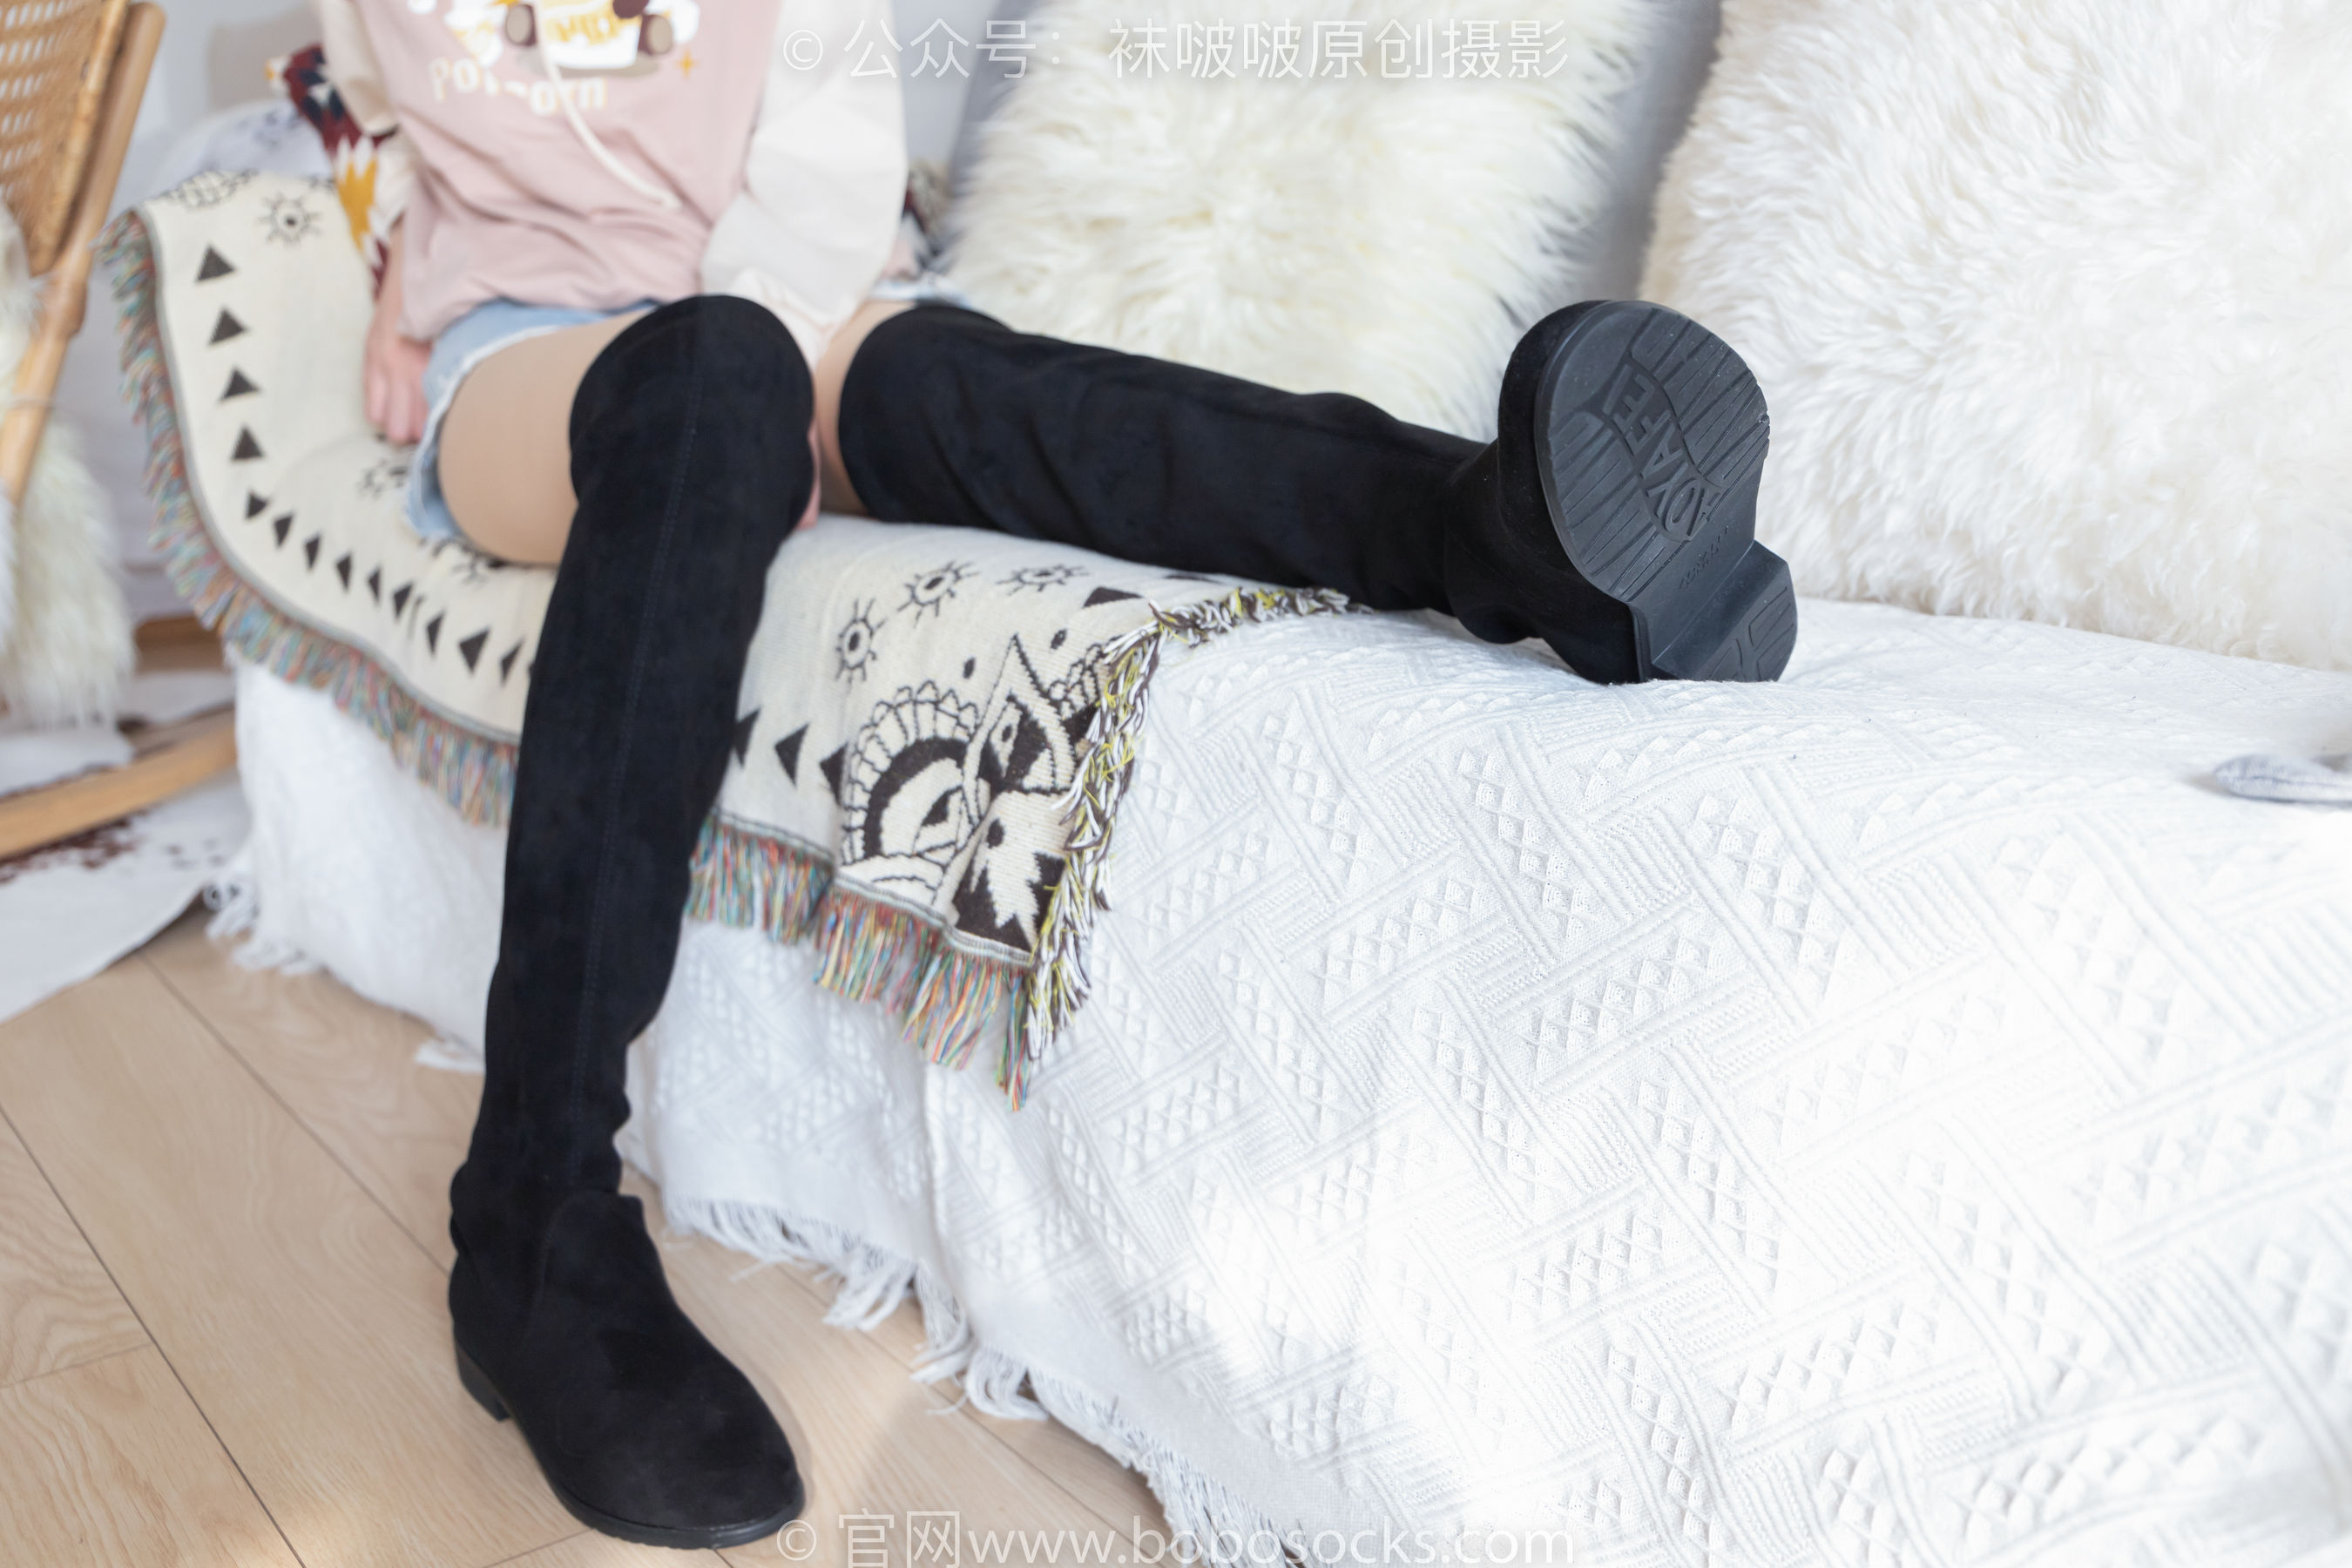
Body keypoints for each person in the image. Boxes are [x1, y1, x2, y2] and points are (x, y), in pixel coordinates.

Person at [315, 0, 1799, 1549]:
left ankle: (1502, 534)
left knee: (976, 390)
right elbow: (363, 104)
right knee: (710, 378)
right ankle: (532, 1209)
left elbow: (824, 177)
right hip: (528, 353)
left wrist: (771, 394)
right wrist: (394, 288)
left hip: (794, 299)